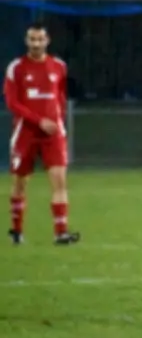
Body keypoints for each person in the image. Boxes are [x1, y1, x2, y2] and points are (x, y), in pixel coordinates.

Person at [4, 23, 79, 245]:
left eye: (40, 39)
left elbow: (60, 97)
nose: (36, 44)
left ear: (47, 41)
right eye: (32, 39)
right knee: (20, 184)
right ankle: (16, 231)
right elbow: (12, 102)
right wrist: (39, 121)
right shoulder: (16, 67)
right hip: (25, 133)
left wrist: (58, 119)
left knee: (59, 182)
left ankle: (61, 233)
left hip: (52, 135)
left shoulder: (58, 67)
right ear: (27, 41)